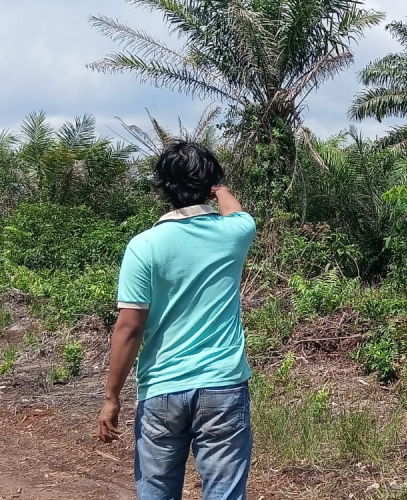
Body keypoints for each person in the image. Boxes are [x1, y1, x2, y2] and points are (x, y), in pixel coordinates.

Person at [96, 141, 256, 500]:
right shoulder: (234, 233)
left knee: (157, 492)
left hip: (162, 389)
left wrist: (112, 397)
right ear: (209, 184)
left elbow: (130, 327)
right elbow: (236, 211)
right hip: (223, 386)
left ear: (163, 187)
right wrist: (219, 185)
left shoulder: (144, 245)